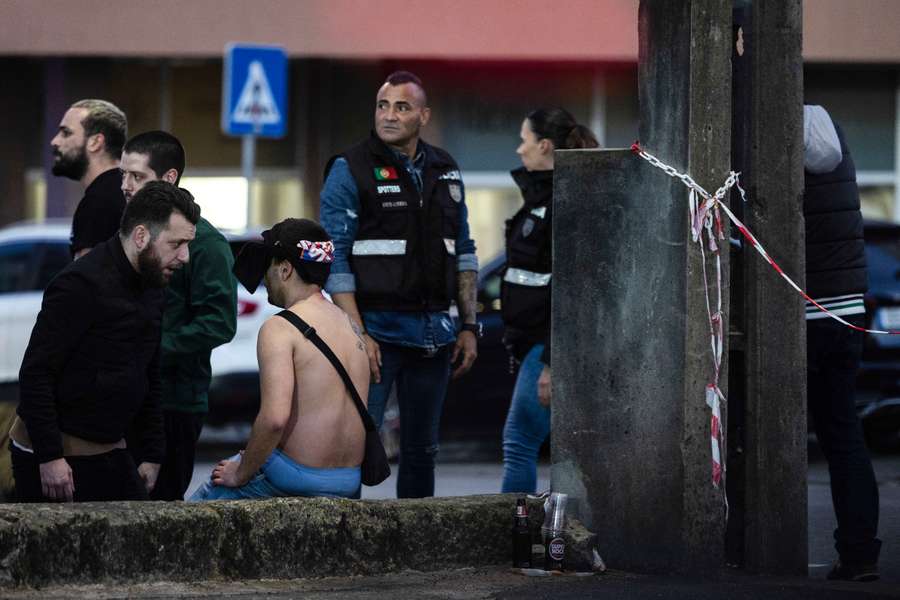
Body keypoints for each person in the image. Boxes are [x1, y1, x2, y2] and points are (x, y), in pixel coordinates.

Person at [319, 71, 479, 498]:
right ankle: (343, 542)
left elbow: (463, 249)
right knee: (356, 444)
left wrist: (468, 324)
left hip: (435, 335)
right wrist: (358, 334)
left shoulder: (445, 169)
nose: (389, 115)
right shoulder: (349, 168)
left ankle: (418, 545)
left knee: (422, 450)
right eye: (382, 106)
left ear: (423, 115)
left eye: (402, 107)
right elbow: (335, 255)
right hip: (375, 335)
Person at [10, 181, 199, 502]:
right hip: (58, 457)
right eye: (177, 243)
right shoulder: (79, 284)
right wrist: (50, 457)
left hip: (112, 448)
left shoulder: (154, 284)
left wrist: (153, 453)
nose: (185, 256)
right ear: (141, 237)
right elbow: (36, 374)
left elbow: (149, 372)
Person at [190, 219, 367, 500]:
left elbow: (274, 419)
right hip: (349, 479)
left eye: (268, 267)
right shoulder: (350, 325)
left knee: (199, 511)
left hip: (297, 476)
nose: (264, 277)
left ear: (285, 270)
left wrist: (241, 472)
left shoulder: (281, 327)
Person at [120, 131, 237, 501]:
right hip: (126, 394)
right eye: (123, 175)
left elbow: (219, 322)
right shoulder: (133, 234)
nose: (125, 185)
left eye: (136, 176)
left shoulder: (205, 244)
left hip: (175, 400)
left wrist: (156, 350)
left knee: (160, 509)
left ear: (168, 178)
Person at [500, 108, 598, 493]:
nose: (519, 148)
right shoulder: (544, 198)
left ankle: (514, 538)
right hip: (536, 345)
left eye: (524, 139)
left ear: (544, 144)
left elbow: (574, 288)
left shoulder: (564, 201)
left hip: (548, 348)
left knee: (520, 442)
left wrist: (552, 364)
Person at [803, 104, 881, 581]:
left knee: (765, 436)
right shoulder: (835, 135)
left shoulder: (767, 139)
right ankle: (859, 556)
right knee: (844, 436)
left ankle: (758, 556)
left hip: (800, 313)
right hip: (848, 313)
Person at [50, 99, 128, 259]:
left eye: (66, 133)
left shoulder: (99, 203)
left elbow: (87, 281)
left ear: (95, 142)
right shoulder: (126, 190)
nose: (55, 141)